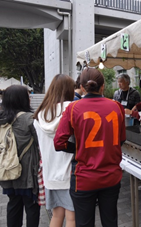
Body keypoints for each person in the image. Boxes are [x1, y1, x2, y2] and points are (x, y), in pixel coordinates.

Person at [54, 68, 126, 227]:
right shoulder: (116, 106)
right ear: (103, 86)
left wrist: (80, 148)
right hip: (111, 176)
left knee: (84, 223)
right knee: (110, 221)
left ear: (81, 86)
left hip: (84, 178)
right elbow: (121, 140)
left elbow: (59, 143)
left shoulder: (73, 108)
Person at [33, 74, 76, 227]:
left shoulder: (40, 114)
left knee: (57, 216)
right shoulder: (71, 109)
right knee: (72, 218)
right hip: (69, 174)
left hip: (50, 174)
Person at [0, 85, 41, 227]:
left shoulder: (2, 118)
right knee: (32, 206)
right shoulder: (30, 119)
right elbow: (39, 142)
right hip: (27, 171)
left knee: (13, 204)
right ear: (22, 99)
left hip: (8, 169)